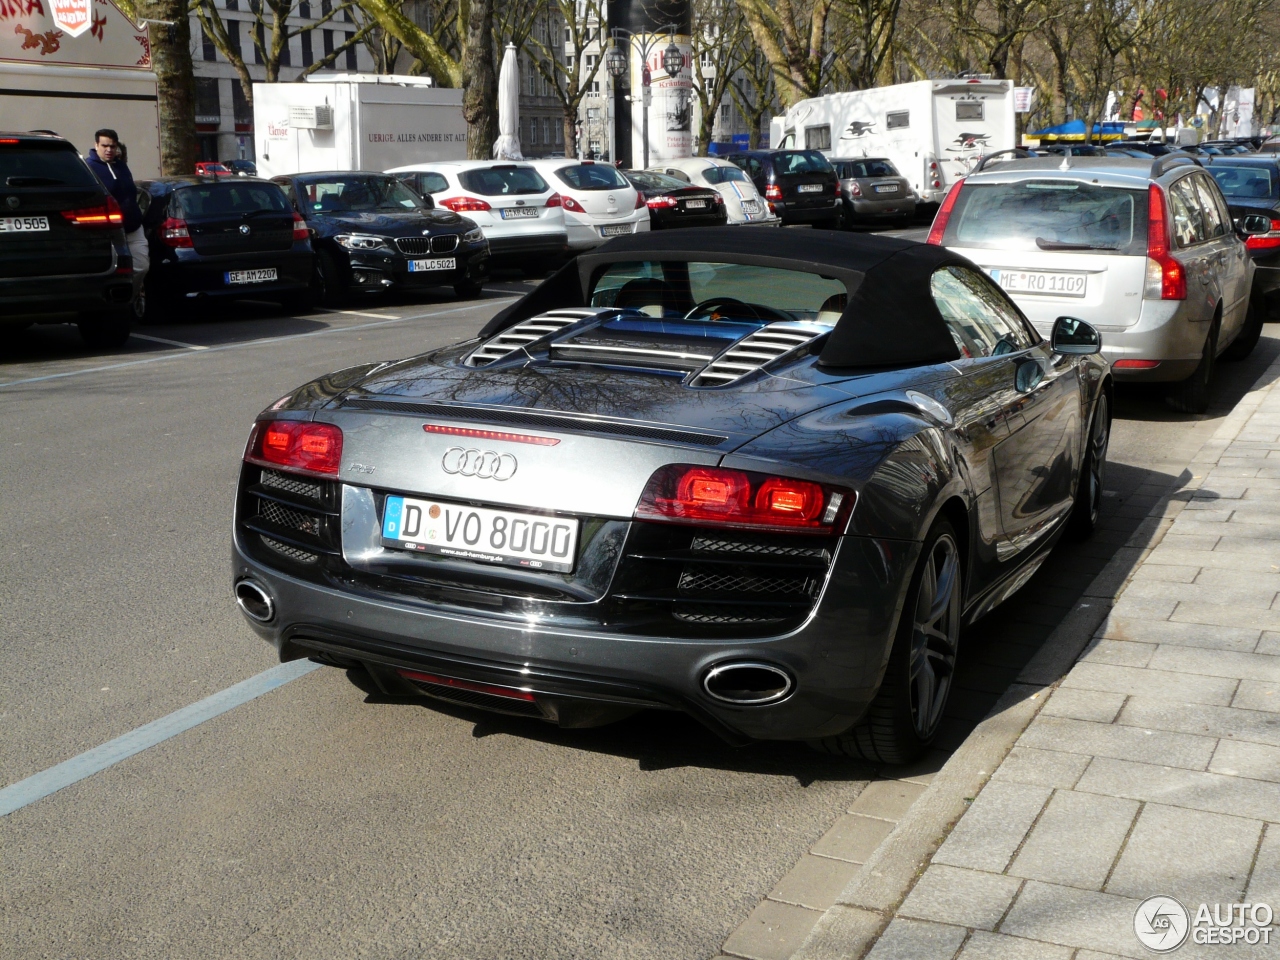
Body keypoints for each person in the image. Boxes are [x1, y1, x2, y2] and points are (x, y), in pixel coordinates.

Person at [85, 129, 147, 296]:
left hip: (133, 227)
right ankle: (117, 304)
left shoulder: (121, 166)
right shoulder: (89, 168)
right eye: (104, 146)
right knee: (113, 272)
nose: (109, 150)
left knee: (142, 266)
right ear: (96, 145)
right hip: (110, 231)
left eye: (112, 146)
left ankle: (129, 299)